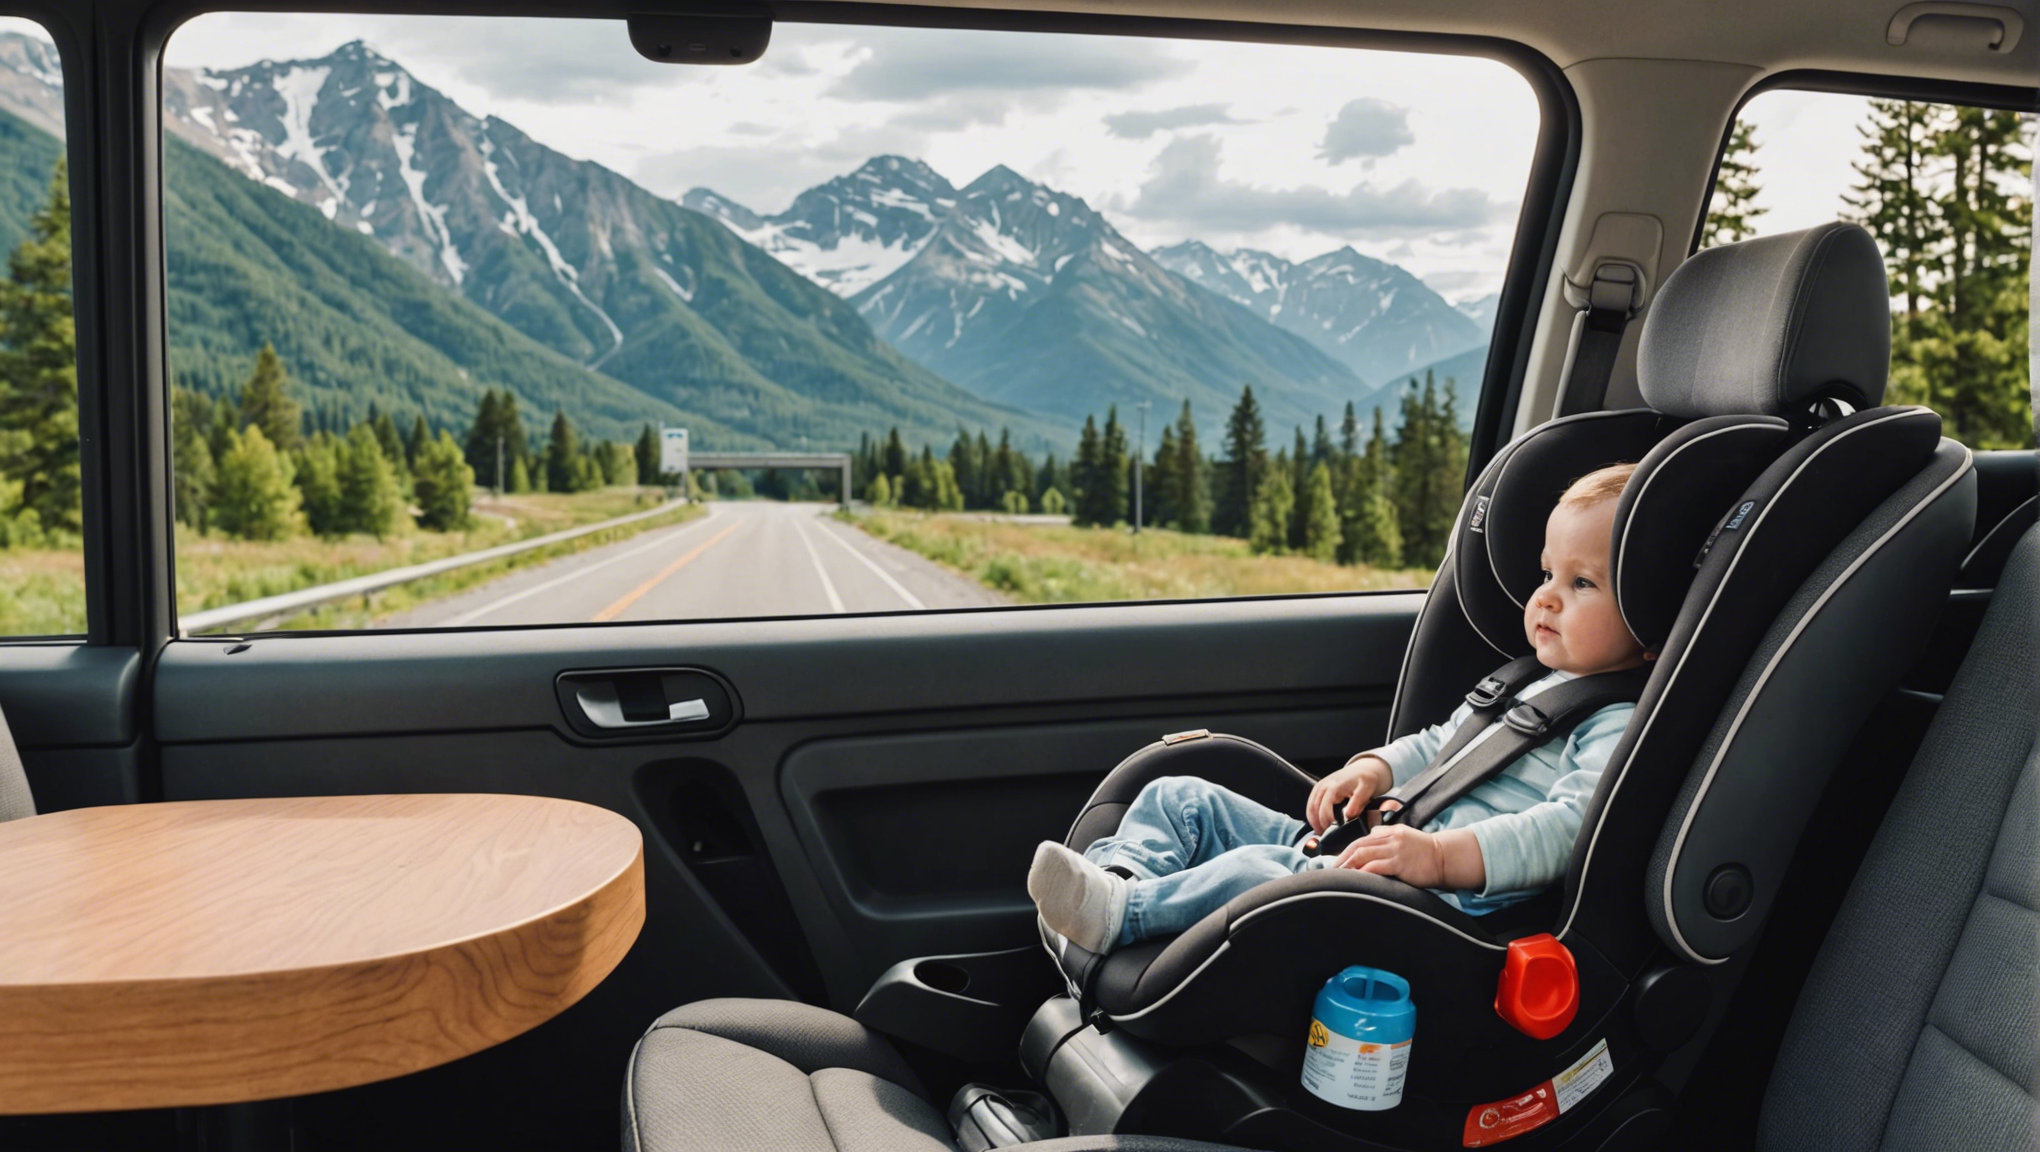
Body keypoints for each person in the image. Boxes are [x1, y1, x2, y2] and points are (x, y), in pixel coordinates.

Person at [1029, 463, 1653, 954]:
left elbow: (1570, 832)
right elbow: (1443, 745)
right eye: (1547, 574)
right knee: (1181, 795)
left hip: (1430, 901)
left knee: (1256, 869)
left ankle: (1119, 918)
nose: (1545, 599)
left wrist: (1438, 858)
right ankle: (1120, 883)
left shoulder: (1613, 722)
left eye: (1582, 583)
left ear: (1652, 621)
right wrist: (1377, 769)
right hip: (1371, 845)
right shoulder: (1526, 680)